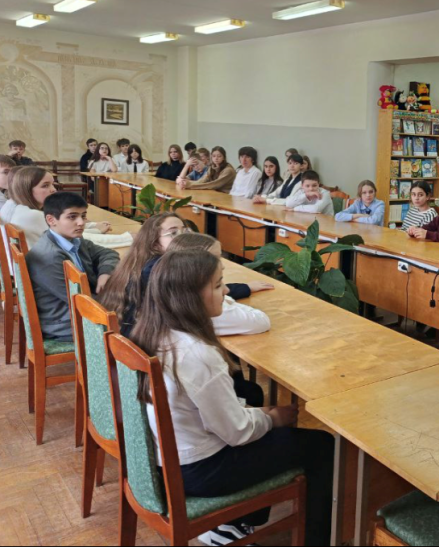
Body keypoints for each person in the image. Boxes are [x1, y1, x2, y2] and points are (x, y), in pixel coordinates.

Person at [131, 249, 334, 546]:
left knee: (257, 409)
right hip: (201, 470)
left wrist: (258, 414)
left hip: (172, 456)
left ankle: (238, 523)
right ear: (189, 297)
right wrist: (271, 417)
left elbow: (213, 411)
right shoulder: (197, 353)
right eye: (217, 286)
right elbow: (237, 433)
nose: (226, 291)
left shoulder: (156, 329)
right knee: (321, 444)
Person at [99, 212, 273, 338]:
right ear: (155, 244)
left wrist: (244, 288)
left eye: (184, 230)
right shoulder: (159, 273)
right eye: (173, 233)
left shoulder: (144, 263)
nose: (182, 236)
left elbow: (199, 290)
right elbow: (201, 297)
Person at [24, 192, 119, 341]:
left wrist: (105, 274)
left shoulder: (73, 240)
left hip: (79, 307)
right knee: (139, 321)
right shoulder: (49, 257)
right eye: (72, 217)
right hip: (64, 323)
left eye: (83, 215)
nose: (81, 222)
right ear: (51, 220)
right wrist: (121, 305)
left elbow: (108, 253)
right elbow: (81, 303)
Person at [0, 167, 111, 249]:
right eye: (45, 185)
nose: (53, 190)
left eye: (53, 184)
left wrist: (93, 226)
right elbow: (74, 239)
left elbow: (65, 229)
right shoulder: (32, 215)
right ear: (27, 189)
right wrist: (124, 237)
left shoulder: (13, 204)